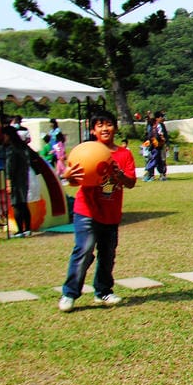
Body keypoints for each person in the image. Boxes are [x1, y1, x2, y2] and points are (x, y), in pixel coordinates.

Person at [59, 110, 137, 311]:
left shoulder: (124, 154)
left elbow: (130, 183)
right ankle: (69, 294)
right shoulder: (85, 151)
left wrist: (119, 174)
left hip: (110, 213)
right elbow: (74, 180)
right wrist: (67, 176)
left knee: (107, 254)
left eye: (108, 124)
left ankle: (103, 292)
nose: (105, 128)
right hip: (86, 210)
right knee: (84, 250)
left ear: (115, 127)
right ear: (93, 130)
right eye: (100, 125)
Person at [0, 126, 33, 237]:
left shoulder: (11, 149)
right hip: (24, 178)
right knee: (24, 204)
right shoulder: (23, 147)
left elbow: (10, 168)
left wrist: (8, 183)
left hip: (15, 181)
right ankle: (27, 229)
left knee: (16, 204)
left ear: (8, 136)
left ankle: (20, 230)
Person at [143, 112, 168, 181]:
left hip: (157, 145)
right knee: (155, 159)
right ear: (157, 118)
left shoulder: (155, 125)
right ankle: (148, 172)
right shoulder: (157, 125)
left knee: (160, 160)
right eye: (161, 117)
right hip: (156, 145)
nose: (162, 118)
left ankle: (162, 174)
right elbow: (160, 135)